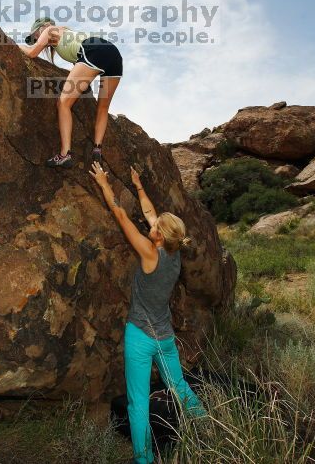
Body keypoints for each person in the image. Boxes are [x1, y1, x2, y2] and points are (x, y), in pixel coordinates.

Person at [88, 162, 207, 464]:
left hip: (140, 336)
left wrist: (104, 183)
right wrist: (138, 185)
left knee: (137, 402)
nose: (150, 225)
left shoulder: (148, 252)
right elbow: (151, 213)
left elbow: (121, 216)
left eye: (153, 228)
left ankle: (144, 460)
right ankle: (208, 426)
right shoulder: (174, 250)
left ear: (157, 237)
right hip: (164, 337)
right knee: (178, 386)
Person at [20, 17, 122, 167]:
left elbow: (32, 53)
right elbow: (82, 67)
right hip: (113, 54)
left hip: (93, 50)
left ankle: (65, 154)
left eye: (35, 35)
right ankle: (97, 149)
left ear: (42, 27)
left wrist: (12, 45)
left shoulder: (50, 30)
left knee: (63, 103)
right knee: (103, 107)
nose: (36, 38)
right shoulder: (68, 35)